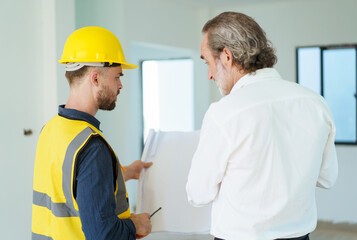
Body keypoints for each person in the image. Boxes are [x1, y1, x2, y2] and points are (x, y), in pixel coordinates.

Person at [186, 12, 338, 240]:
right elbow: (327, 177)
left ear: (226, 56)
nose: (209, 74)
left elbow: (198, 194)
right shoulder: (315, 103)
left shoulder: (224, 113)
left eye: (207, 62)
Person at [32, 26, 152, 240]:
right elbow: (103, 235)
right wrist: (135, 225)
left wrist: (123, 173)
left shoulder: (50, 129)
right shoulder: (91, 147)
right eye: (117, 76)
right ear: (95, 79)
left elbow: (70, 183)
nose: (121, 85)